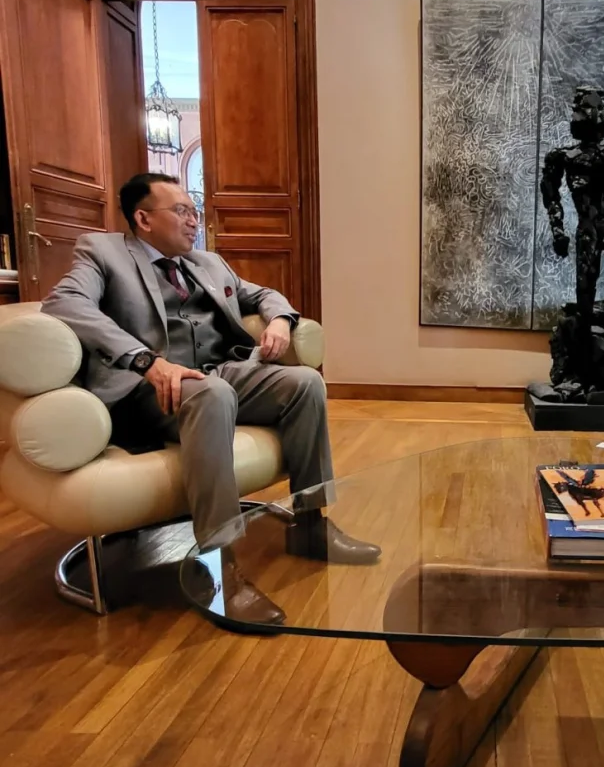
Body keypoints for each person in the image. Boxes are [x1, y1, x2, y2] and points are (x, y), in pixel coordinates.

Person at [42, 173, 380, 624]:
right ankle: (216, 565)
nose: (193, 220)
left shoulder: (207, 262)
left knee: (304, 383)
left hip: (217, 373)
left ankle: (311, 525)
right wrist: (146, 361)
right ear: (143, 218)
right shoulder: (102, 252)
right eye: (181, 211)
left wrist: (280, 319)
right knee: (213, 392)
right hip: (148, 390)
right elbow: (65, 303)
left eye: (193, 210)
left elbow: (263, 294)